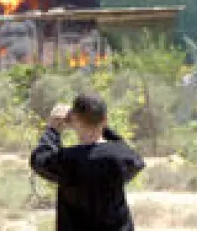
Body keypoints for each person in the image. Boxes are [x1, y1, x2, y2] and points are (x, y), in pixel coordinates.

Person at [29, 93, 146, 231]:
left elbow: (39, 158)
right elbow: (131, 155)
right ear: (105, 120)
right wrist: (103, 127)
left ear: (73, 119)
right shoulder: (122, 156)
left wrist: (53, 130)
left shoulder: (67, 160)